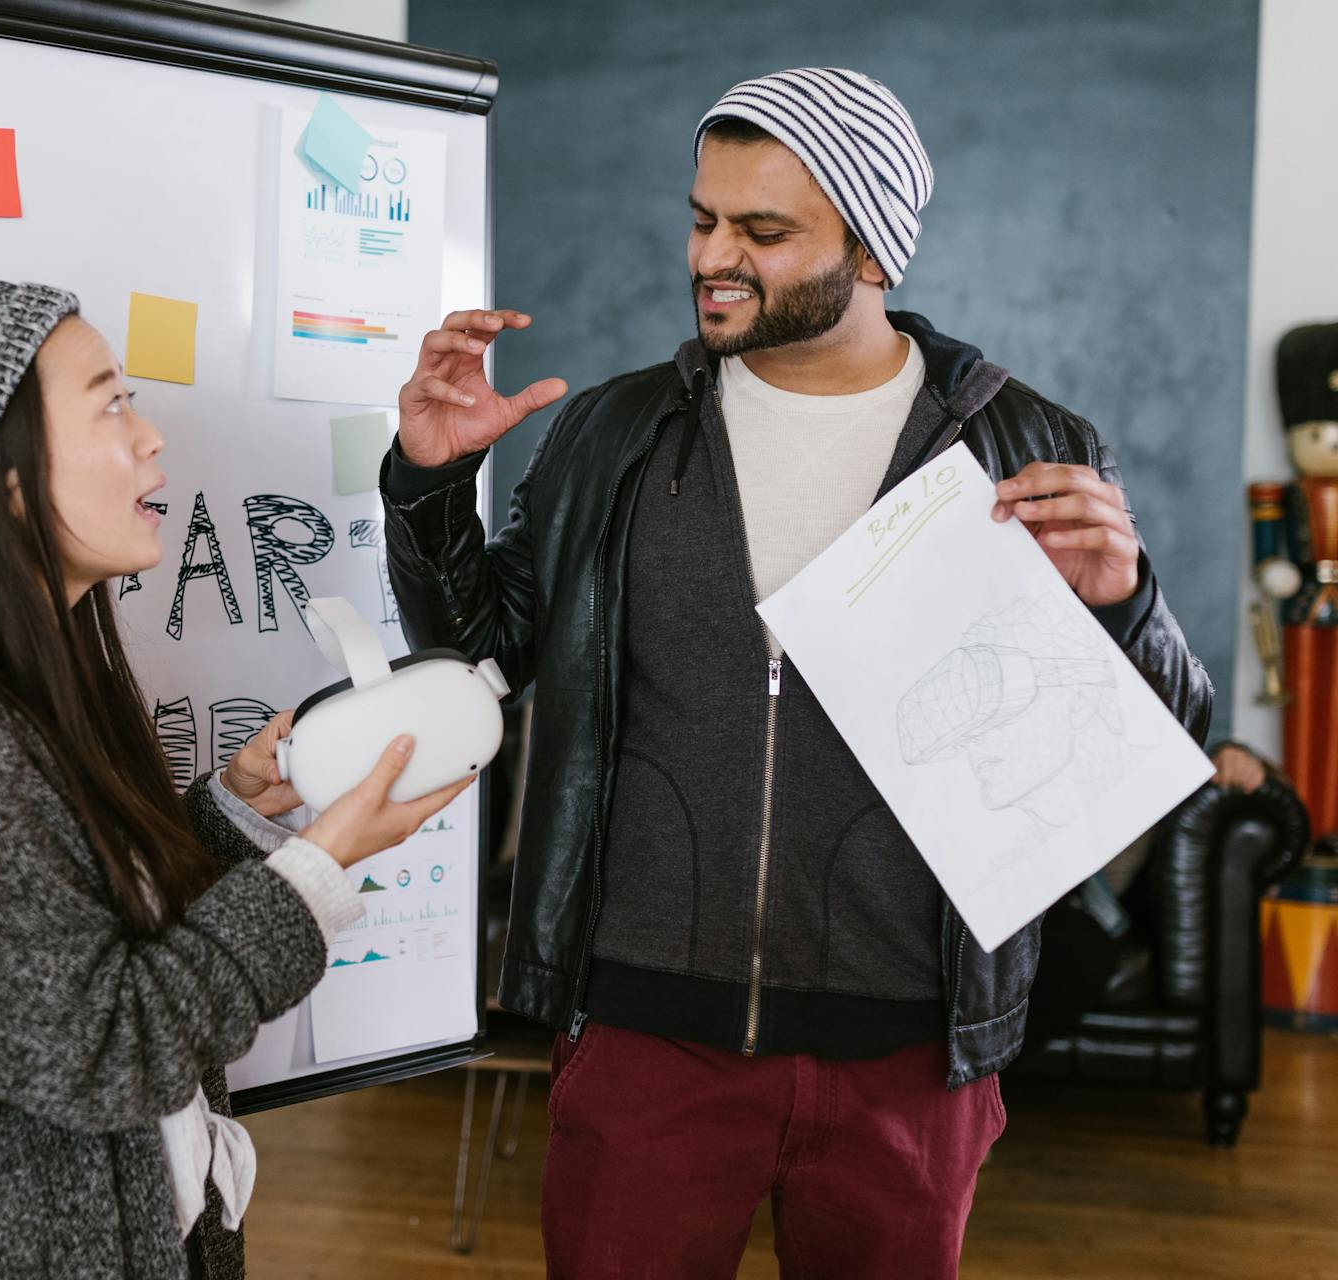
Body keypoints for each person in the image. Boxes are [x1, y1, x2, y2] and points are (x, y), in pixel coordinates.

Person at [378, 68, 1212, 1277]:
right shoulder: (614, 434)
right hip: (643, 1033)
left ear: (874, 255)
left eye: (763, 231)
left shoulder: (1029, 446)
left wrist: (1130, 605)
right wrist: (429, 483)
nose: (714, 254)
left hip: (909, 1054)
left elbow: (1162, 737)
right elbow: (475, 649)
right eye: (704, 217)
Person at [0, 279, 473, 1280]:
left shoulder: (38, 668)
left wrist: (231, 813)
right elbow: (99, 1045)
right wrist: (316, 871)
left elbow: (78, 930)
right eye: (110, 403)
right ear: (6, 476)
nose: (152, 438)